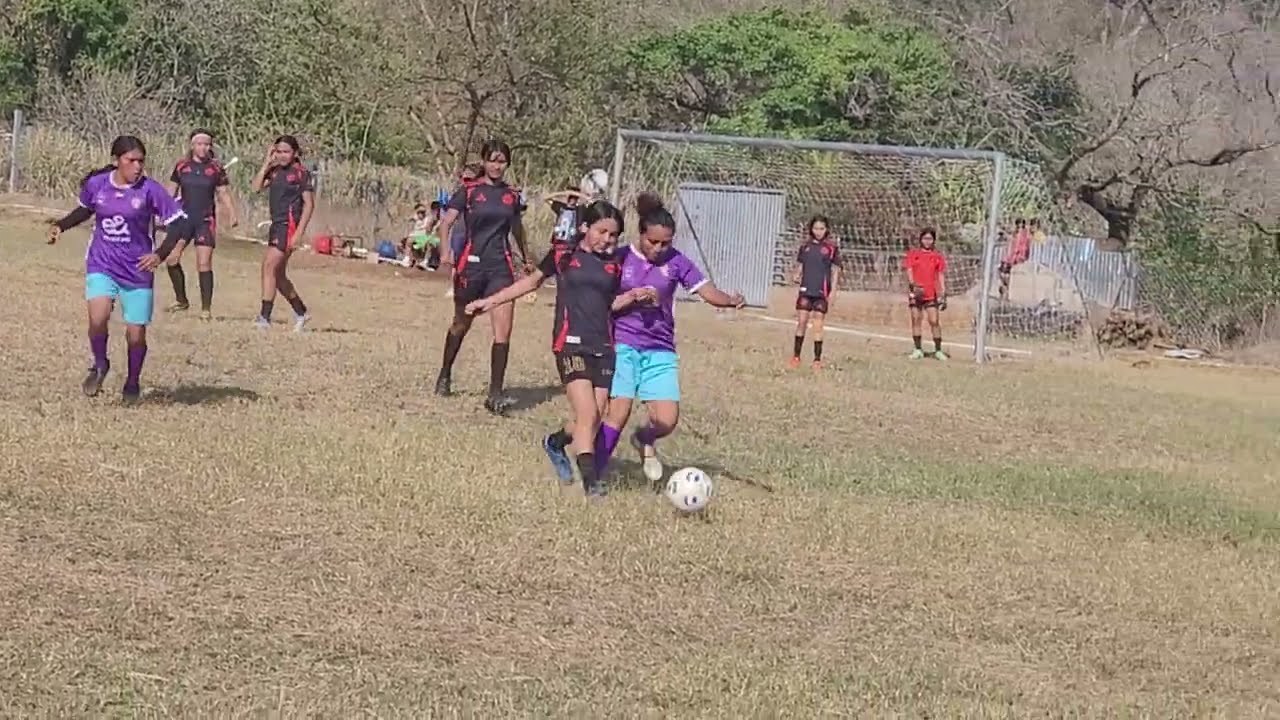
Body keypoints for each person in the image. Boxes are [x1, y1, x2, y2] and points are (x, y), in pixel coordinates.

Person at [464, 200, 654, 497]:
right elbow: (531, 282)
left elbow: (609, 305)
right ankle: (591, 483)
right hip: (570, 344)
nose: (607, 239)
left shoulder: (616, 263)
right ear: (584, 228)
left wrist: (634, 297)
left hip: (603, 345)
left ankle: (555, 442)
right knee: (588, 412)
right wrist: (490, 302)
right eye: (601, 231)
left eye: (613, 235)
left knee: (593, 416)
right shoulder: (564, 255)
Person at [589, 193, 745, 486]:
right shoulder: (620, 257)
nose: (659, 248)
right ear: (641, 234)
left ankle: (643, 439)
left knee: (666, 421)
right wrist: (633, 297)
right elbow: (602, 300)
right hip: (622, 343)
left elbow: (707, 291)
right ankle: (593, 476)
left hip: (660, 348)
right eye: (653, 242)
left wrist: (729, 300)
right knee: (617, 413)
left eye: (666, 243)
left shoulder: (677, 262)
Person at [46, 135, 198, 404]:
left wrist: (160, 254)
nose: (138, 166)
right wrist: (61, 225)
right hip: (101, 263)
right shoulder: (98, 185)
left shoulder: (151, 190)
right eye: (131, 160)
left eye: (141, 161)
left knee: (136, 335)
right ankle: (100, 364)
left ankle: (132, 382)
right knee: (97, 318)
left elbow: (179, 225)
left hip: (137, 271)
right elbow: (84, 211)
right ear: (118, 161)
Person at [433, 139, 533, 414]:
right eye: (492, 160)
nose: (497, 165)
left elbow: (517, 229)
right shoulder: (469, 191)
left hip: (500, 268)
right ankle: (445, 373)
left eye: (502, 161)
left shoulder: (512, 196)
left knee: (503, 330)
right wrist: (445, 252)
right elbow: (446, 223)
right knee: (460, 323)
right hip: (471, 266)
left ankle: (495, 393)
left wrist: (526, 258)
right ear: (484, 161)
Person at [164, 128, 240, 319]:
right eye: (200, 144)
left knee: (203, 263)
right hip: (183, 219)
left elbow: (223, 193)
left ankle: (206, 309)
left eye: (207, 144)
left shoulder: (216, 169)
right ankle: (181, 300)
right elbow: (170, 191)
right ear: (192, 145)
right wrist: (162, 212)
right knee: (172, 258)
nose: (203, 147)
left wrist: (231, 214)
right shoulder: (182, 166)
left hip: (205, 220)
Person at [250, 135, 313, 331]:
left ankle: (264, 317)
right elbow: (255, 188)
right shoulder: (275, 171)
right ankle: (301, 312)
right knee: (277, 275)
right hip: (276, 225)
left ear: (294, 153)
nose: (282, 155)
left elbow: (309, 204)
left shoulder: (300, 173)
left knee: (268, 266)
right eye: (278, 151)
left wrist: (299, 233)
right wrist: (266, 163)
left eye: (286, 152)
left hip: (289, 225)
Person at [789, 215, 842, 370]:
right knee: (802, 323)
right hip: (806, 289)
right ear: (811, 229)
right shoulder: (805, 247)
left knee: (818, 325)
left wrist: (833, 290)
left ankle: (817, 360)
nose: (818, 231)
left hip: (821, 292)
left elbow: (835, 271)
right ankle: (796, 357)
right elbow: (800, 266)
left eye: (822, 228)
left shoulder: (831, 248)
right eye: (816, 228)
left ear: (826, 230)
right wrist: (796, 275)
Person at [903, 227, 949, 360]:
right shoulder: (913, 254)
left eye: (930, 239)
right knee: (916, 320)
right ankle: (918, 349)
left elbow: (940, 274)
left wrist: (943, 291)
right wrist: (913, 284)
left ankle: (938, 350)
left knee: (934, 321)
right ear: (921, 240)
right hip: (916, 293)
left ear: (934, 241)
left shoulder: (937, 257)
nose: (927, 241)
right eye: (925, 238)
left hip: (930, 293)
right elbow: (909, 269)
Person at [443, 164, 481, 299]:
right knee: (457, 262)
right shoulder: (462, 192)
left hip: (475, 233)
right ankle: (454, 287)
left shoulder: (481, 192)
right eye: (464, 177)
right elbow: (449, 216)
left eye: (469, 178)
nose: (466, 180)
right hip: (460, 230)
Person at [999, 217, 1030, 300]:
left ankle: (1005, 291)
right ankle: (1005, 291)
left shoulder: (1022, 235)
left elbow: (1018, 246)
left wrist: (1019, 257)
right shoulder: (1022, 234)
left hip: (1010, 257)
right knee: (1003, 273)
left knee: (1004, 273)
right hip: (1010, 257)